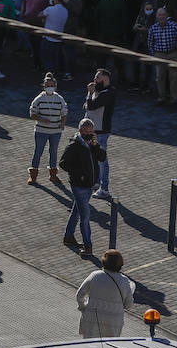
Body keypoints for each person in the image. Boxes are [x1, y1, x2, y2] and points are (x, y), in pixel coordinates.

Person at [60, 118, 107, 255]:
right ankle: (88, 246)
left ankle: (68, 237)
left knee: (77, 210)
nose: (89, 134)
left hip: (90, 185)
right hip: (79, 186)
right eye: (87, 132)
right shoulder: (74, 146)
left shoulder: (92, 145)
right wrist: (80, 173)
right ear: (80, 131)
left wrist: (96, 145)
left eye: (91, 132)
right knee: (85, 217)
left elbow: (102, 158)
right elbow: (63, 164)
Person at [75, 250, 135, 338]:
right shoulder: (124, 281)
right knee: (110, 347)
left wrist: (83, 307)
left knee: (90, 347)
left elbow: (80, 295)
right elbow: (129, 304)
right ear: (120, 264)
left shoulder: (95, 275)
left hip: (92, 319)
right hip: (113, 322)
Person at [28, 72, 68, 186]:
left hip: (55, 131)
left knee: (53, 152)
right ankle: (33, 175)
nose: (50, 88)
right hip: (41, 131)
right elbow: (32, 113)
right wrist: (41, 119)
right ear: (44, 87)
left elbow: (64, 112)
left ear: (55, 86)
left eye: (52, 85)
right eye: (47, 86)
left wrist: (63, 123)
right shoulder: (39, 99)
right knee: (38, 152)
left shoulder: (59, 99)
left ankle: (53, 175)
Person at [85, 68, 116, 200]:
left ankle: (104, 189)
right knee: (95, 159)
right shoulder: (100, 91)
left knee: (102, 161)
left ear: (105, 79)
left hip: (101, 132)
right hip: (94, 131)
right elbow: (87, 106)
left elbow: (91, 106)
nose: (94, 80)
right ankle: (97, 182)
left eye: (97, 78)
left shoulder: (108, 93)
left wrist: (89, 93)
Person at [147, 7, 177, 105]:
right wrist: (154, 54)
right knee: (160, 77)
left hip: (173, 54)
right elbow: (150, 42)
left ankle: (174, 99)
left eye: (163, 15)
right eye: (159, 15)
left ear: (167, 16)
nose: (162, 17)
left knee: (174, 77)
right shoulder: (153, 28)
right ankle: (161, 98)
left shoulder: (175, 26)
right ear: (157, 17)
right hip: (159, 54)